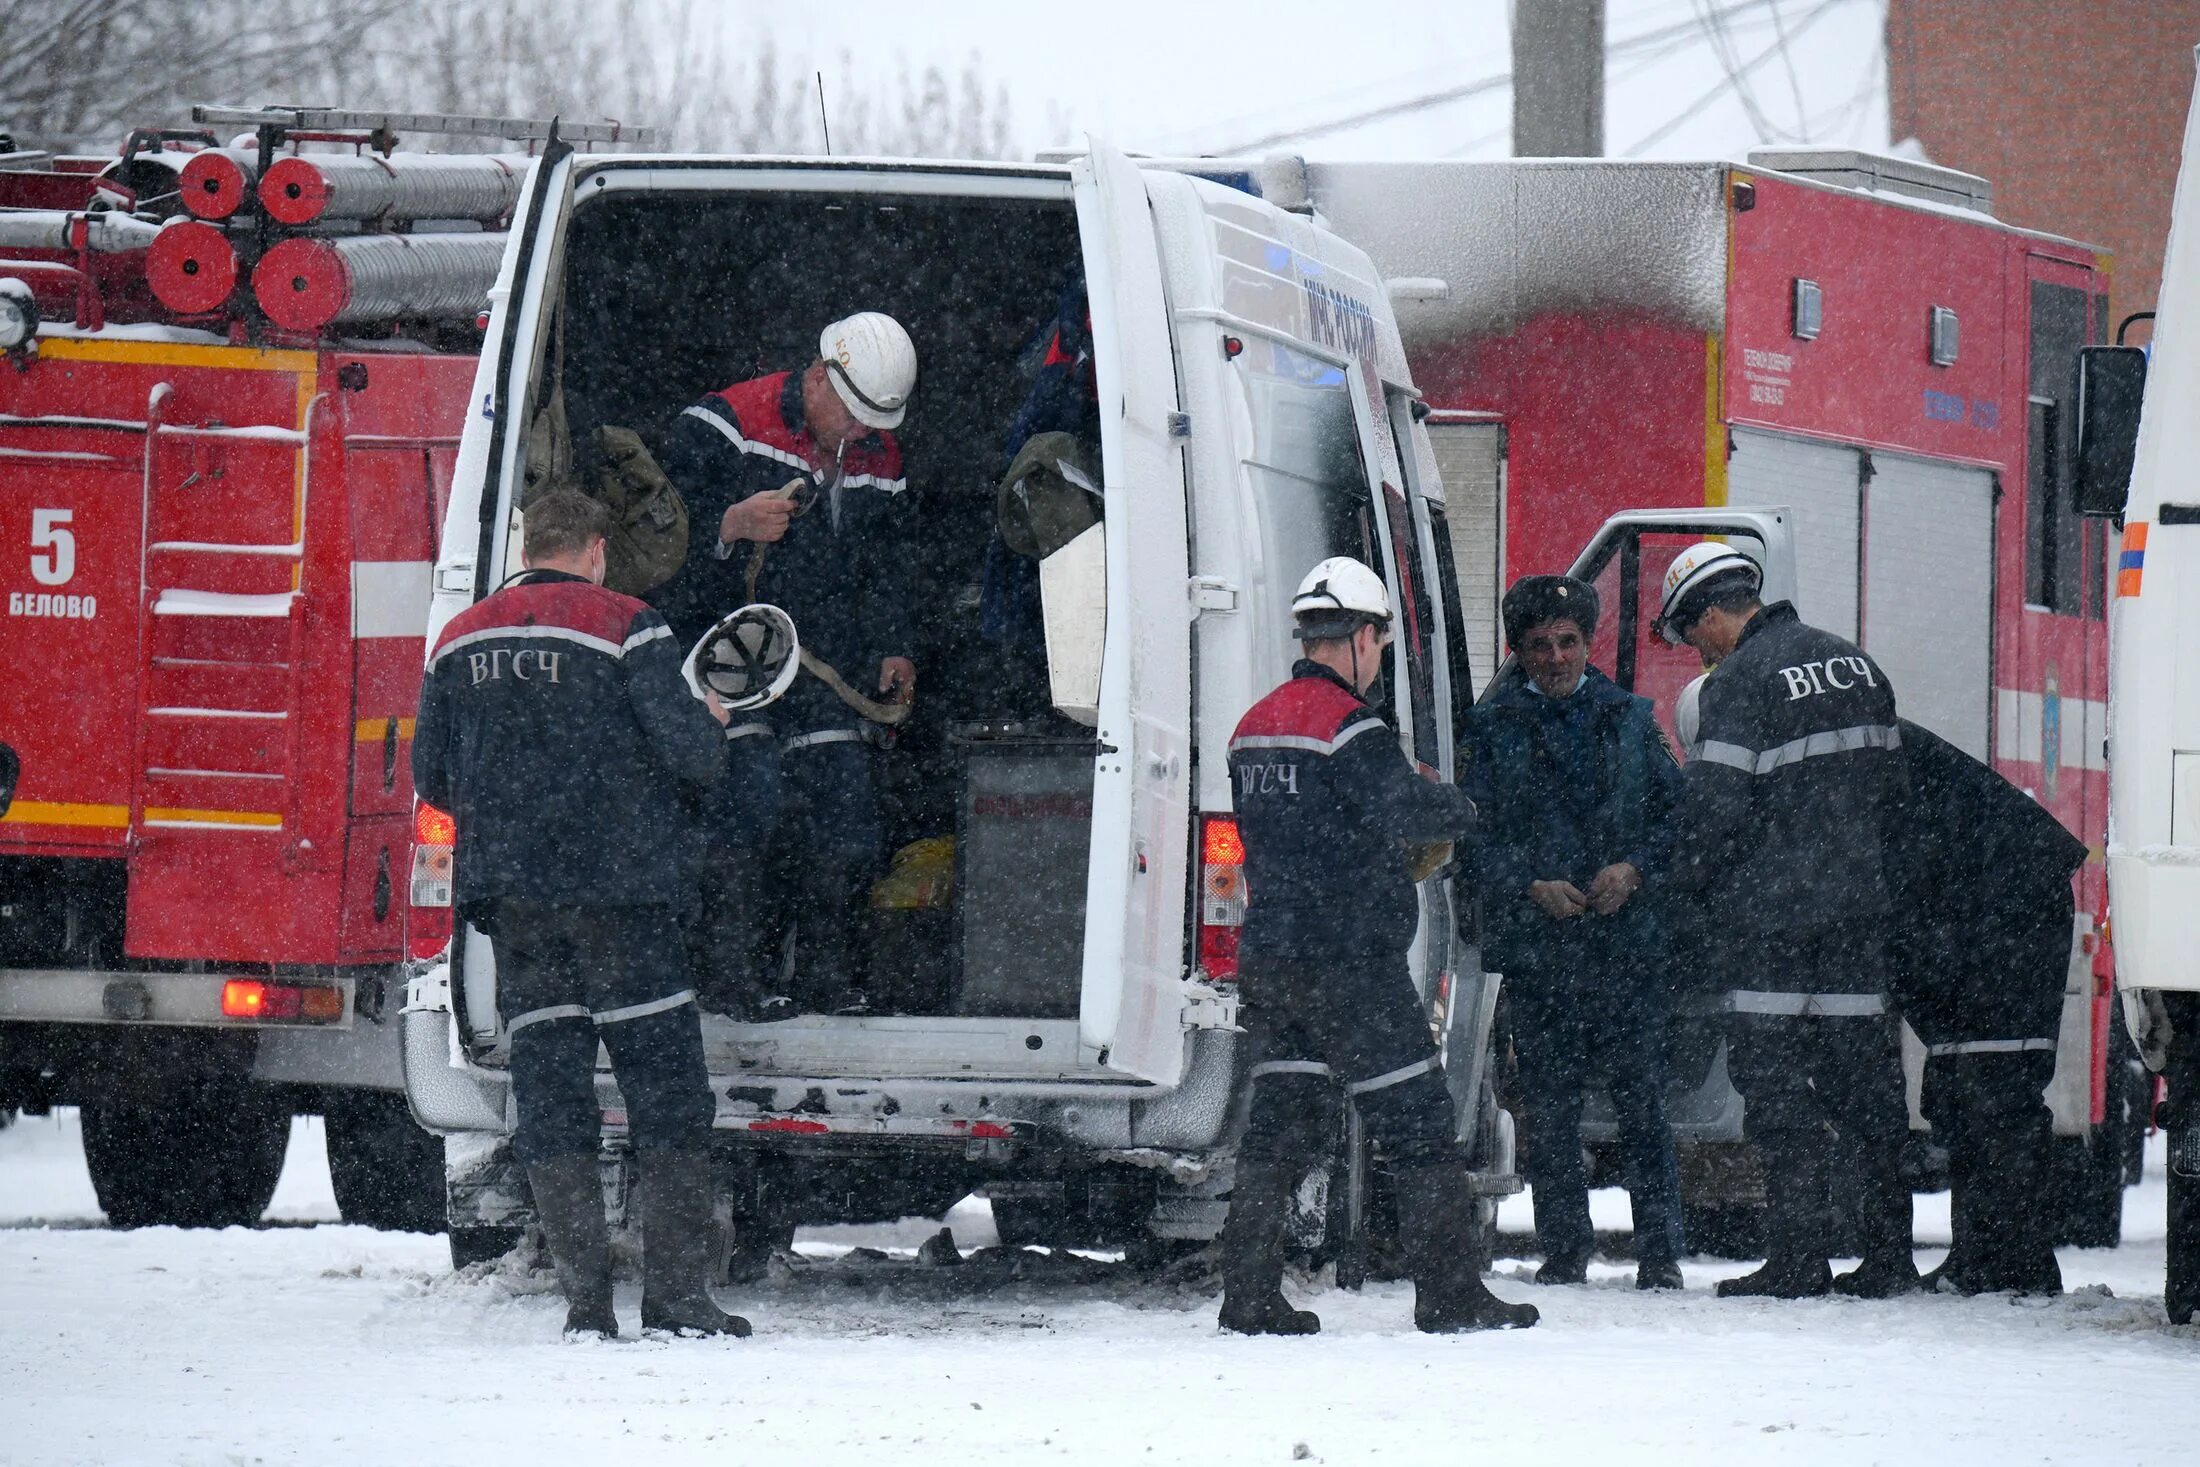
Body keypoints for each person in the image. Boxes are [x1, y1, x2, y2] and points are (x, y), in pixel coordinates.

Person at [412, 489, 746, 1339]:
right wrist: (712, 722)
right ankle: (675, 1296)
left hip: (518, 910)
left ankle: (586, 1304)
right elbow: (694, 760)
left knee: (553, 1095)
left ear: (531, 542)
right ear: (597, 548)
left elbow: (433, 776)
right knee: (667, 1096)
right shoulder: (630, 626)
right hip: (623, 902)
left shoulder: (459, 639)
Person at [1218, 556, 1539, 1335]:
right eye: (1381, 644)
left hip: (1274, 958)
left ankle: (1249, 1293)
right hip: (1350, 962)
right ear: (1362, 635)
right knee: (1420, 1123)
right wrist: (1463, 805)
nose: (1378, 658)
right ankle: (1450, 1292)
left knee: (1279, 1128)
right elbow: (1403, 812)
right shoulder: (1350, 726)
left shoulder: (1252, 727)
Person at [1656, 542, 1917, 1300]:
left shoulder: (1739, 682)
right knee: (1869, 1090)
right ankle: (1889, 1254)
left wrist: (1684, 902)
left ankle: (1799, 1256)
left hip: (1773, 925)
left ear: (1712, 613)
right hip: (1859, 922)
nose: (1695, 651)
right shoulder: (1858, 666)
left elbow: (1712, 815)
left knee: (1775, 1088)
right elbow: (1898, 801)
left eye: (1691, 634)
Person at [652, 312, 921, 1018]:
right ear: (818, 375)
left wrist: (895, 643)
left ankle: (830, 979)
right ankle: (733, 979)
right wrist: (729, 525)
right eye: (853, 416)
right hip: (730, 655)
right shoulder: (721, 425)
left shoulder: (878, 452)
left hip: (826, 661)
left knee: (846, 813)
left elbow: (889, 561)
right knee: (748, 806)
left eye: (874, 423)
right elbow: (648, 552)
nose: (859, 435)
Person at [1464, 575, 1688, 1291]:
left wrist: (1635, 868)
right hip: (1541, 952)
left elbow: (1676, 821)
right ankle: (1565, 1248)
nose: (1556, 657)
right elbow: (1473, 837)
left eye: (1567, 642)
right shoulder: (1492, 731)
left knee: (1642, 1104)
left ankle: (1660, 1253)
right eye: (1539, 646)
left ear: (1589, 644)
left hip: (1626, 950)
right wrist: (1530, 882)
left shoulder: (1630, 720)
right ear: (1518, 651)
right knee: (1551, 1109)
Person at [1883, 720, 2084, 1295]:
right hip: (1988, 899)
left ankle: (2019, 1263)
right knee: (1961, 1088)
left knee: (1998, 1086)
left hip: (2006, 904)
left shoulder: (1841, 752)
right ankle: (1982, 1255)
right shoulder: (1853, 734)